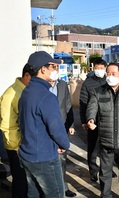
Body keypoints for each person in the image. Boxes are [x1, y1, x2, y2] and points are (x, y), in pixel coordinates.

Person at [18, 51, 70, 198]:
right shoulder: (46, 96)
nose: (56, 70)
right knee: (56, 194)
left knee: (34, 194)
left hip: (28, 154)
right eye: (53, 67)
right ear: (43, 69)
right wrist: (64, 144)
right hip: (44, 157)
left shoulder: (26, 92)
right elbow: (56, 128)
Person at [86, 62, 119, 198]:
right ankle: (105, 194)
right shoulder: (98, 91)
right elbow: (92, 107)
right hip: (106, 139)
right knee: (105, 171)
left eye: (113, 74)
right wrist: (90, 119)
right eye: (108, 73)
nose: (110, 76)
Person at [79, 57, 117, 182]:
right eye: (97, 68)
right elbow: (83, 102)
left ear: (105, 68)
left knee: (107, 146)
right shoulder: (88, 83)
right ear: (93, 68)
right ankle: (93, 169)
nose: (99, 70)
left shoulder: (109, 81)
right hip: (93, 120)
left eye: (101, 68)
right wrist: (84, 120)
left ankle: (107, 168)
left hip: (107, 119)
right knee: (93, 146)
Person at [0, 64, 32, 198]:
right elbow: (7, 124)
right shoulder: (11, 94)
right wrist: (16, 147)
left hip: (28, 146)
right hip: (17, 148)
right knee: (21, 182)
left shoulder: (27, 91)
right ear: (26, 76)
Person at [49, 72, 77, 197]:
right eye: (52, 67)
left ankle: (63, 187)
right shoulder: (40, 86)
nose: (55, 70)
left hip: (61, 127)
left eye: (56, 67)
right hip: (45, 129)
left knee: (62, 159)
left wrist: (71, 125)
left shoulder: (63, 84)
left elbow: (67, 105)